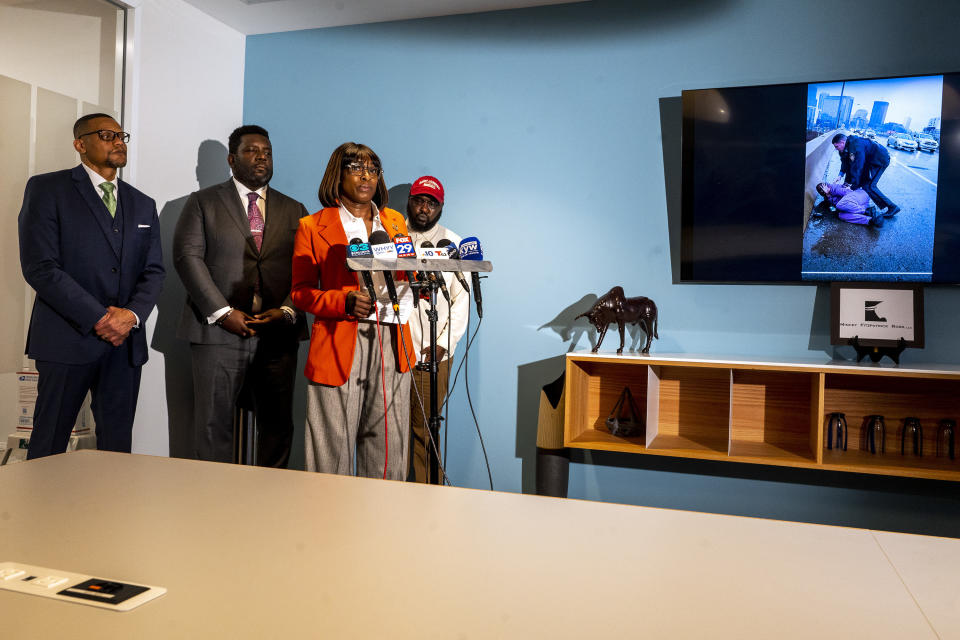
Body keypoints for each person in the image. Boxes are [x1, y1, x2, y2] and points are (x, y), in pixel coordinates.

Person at [18, 113, 164, 459]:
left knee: (116, 449)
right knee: (49, 446)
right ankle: (40, 513)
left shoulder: (143, 203)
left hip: (124, 344)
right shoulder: (47, 189)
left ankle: (110, 514)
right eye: (106, 134)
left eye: (121, 135)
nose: (118, 141)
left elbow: (154, 270)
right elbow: (41, 268)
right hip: (66, 339)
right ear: (79, 144)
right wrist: (101, 318)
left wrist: (130, 316)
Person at [173, 125, 308, 467]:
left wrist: (289, 311)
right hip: (218, 332)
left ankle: (267, 503)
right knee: (213, 424)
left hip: (276, 334)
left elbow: (308, 270)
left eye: (267, 151)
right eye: (252, 151)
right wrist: (222, 311)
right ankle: (215, 504)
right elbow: (187, 258)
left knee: (277, 426)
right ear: (232, 160)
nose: (261, 157)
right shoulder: (203, 202)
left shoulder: (295, 210)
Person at [291, 142, 415, 479]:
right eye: (356, 168)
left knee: (388, 446)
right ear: (337, 174)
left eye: (373, 169)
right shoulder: (312, 225)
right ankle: (329, 525)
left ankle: (383, 524)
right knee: (332, 447)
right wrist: (342, 302)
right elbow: (300, 293)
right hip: (339, 340)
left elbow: (407, 271)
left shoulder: (394, 221)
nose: (366, 176)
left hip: (392, 338)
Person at [404, 176, 469, 483]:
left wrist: (444, 343)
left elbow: (461, 303)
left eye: (431, 203)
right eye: (418, 200)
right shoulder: (392, 237)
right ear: (409, 201)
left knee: (424, 430)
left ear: (441, 207)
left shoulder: (453, 245)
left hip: (432, 356)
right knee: (386, 429)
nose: (424, 208)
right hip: (394, 350)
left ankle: (424, 496)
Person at [832, 133, 901, 218]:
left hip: (880, 160)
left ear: (842, 142)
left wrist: (853, 186)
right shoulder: (843, 149)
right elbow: (845, 163)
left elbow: (857, 167)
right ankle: (859, 201)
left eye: (836, 146)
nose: (836, 149)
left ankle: (892, 207)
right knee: (864, 185)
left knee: (870, 186)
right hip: (868, 161)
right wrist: (840, 175)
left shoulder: (856, 146)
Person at [815, 182, 882, 227]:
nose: (822, 191)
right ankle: (869, 220)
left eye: (822, 188)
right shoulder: (827, 197)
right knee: (841, 215)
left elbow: (849, 192)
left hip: (860, 197)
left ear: (826, 185)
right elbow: (833, 206)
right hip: (857, 205)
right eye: (820, 190)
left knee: (839, 205)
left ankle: (866, 211)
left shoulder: (834, 188)